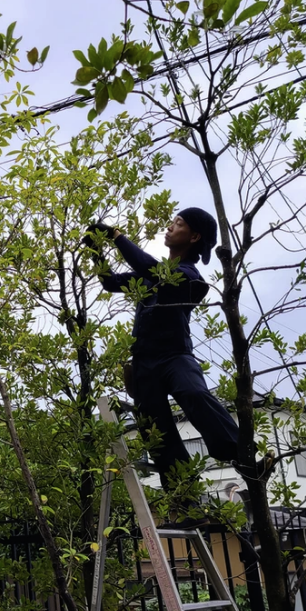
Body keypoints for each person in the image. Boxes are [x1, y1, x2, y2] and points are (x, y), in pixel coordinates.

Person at [85, 208, 240, 502]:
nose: (170, 227)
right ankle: (186, 503)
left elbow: (154, 270)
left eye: (178, 224)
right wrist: (96, 250)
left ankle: (238, 452)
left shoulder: (190, 279)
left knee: (193, 392)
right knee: (157, 434)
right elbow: (110, 282)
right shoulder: (148, 275)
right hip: (144, 363)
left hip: (175, 356)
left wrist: (115, 236)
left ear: (194, 237)